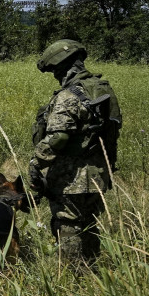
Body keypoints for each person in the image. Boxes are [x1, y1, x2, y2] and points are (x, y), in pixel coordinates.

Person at [28, 39, 122, 264]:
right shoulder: (103, 89)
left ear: (63, 67)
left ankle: (73, 279)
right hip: (98, 174)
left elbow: (58, 137)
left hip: (71, 178)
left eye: (55, 71)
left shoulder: (68, 96)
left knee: (68, 226)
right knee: (89, 224)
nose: (55, 76)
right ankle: (92, 272)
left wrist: (36, 162)